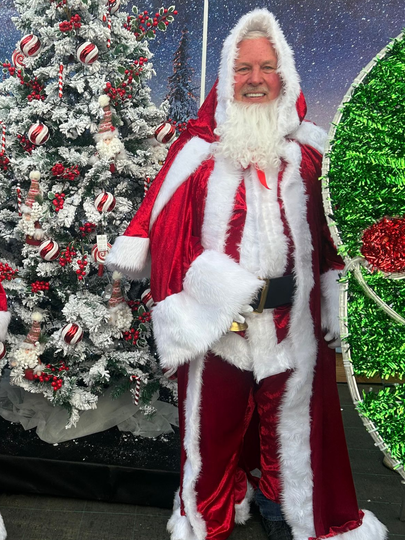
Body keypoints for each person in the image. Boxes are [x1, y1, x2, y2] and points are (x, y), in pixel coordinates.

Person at [106, 9, 387, 540]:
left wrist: (338, 292)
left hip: (293, 325)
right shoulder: (196, 155)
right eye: (242, 68)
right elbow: (163, 234)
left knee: (294, 432)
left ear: (286, 76)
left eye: (266, 67)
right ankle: (205, 520)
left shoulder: (311, 154)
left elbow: (336, 240)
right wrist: (214, 297)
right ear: (226, 77)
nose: (255, 79)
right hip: (220, 326)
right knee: (210, 434)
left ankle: (290, 510)